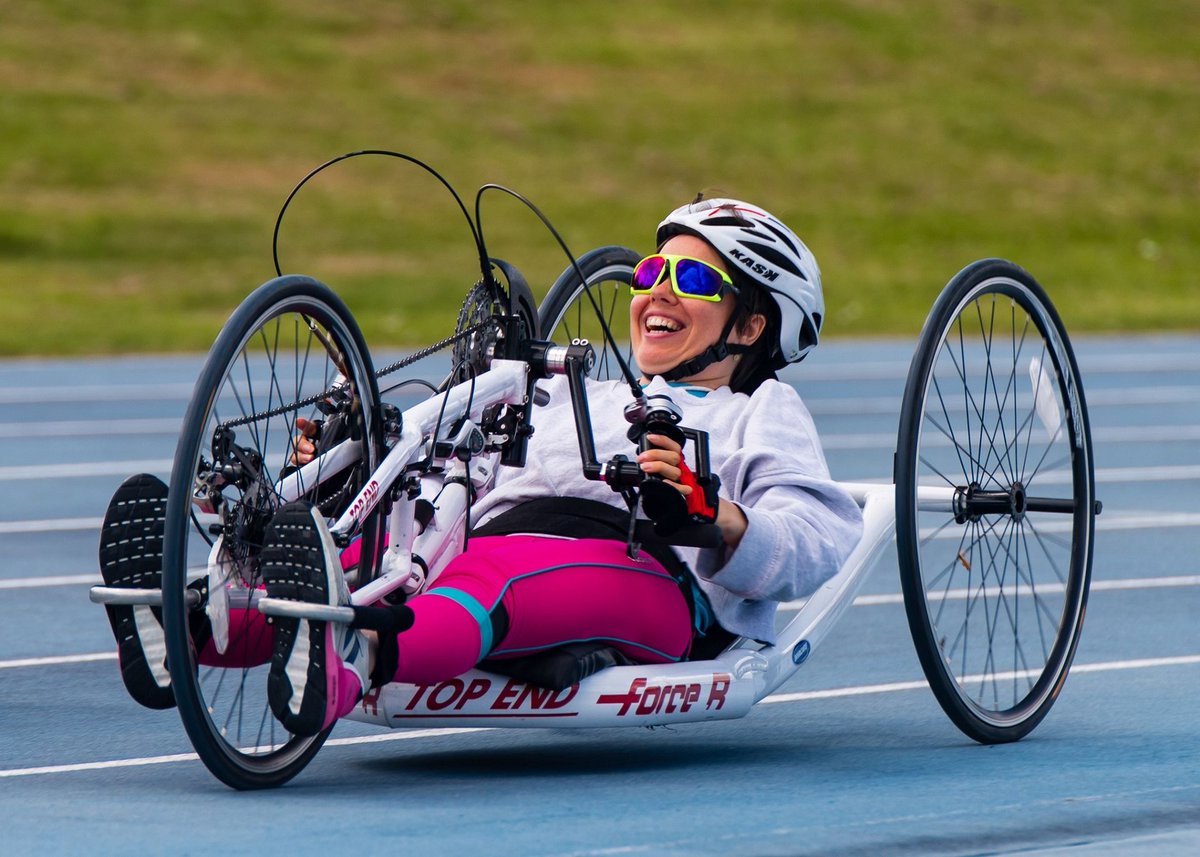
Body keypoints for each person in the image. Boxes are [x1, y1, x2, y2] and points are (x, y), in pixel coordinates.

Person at [98, 197, 864, 737]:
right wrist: (350, 477)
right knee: (383, 564)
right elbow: (461, 481)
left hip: (655, 583)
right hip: (496, 541)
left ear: (751, 325)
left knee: (497, 574)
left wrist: (717, 517)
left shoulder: (759, 409)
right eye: (651, 275)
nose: (658, 291)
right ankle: (190, 630)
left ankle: (352, 659)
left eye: (691, 282)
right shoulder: (577, 391)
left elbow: (822, 532)